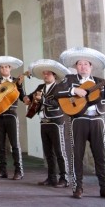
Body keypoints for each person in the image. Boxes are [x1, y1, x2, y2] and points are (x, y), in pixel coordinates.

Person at [57, 47, 105, 199]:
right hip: (79, 120)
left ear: (91, 67)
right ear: (76, 67)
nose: (83, 66)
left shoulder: (99, 82)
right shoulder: (70, 80)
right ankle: (77, 188)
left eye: (86, 64)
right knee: (77, 154)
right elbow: (56, 93)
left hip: (97, 120)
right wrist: (74, 92)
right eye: (80, 64)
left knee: (101, 155)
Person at [23, 59, 70, 188]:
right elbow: (30, 98)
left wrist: (42, 99)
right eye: (44, 73)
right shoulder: (40, 87)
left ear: (54, 75)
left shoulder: (60, 88)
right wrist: (27, 98)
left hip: (56, 121)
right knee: (48, 152)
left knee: (60, 152)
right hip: (43, 121)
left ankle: (64, 178)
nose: (45, 76)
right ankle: (51, 178)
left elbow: (58, 103)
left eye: (48, 73)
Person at [0, 55, 26, 180]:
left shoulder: (16, 81)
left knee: (14, 144)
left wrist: (26, 95)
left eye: (6, 67)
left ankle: (19, 171)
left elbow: (23, 97)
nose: (3, 70)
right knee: (1, 145)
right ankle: (3, 171)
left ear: (10, 68)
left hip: (11, 115)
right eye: (1, 68)